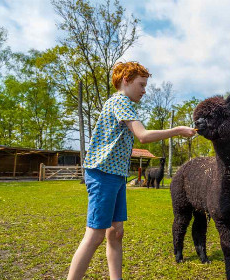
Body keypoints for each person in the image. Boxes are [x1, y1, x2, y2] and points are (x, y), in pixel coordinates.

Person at [67, 61, 196, 280]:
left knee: (116, 233)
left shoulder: (123, 103)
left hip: (116, 176)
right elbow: (143, 135)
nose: (144, 91)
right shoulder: (121, 100)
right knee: (95, 235)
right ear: (126, 81)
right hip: (103, 173)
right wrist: (176, 130)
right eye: (142, 84)